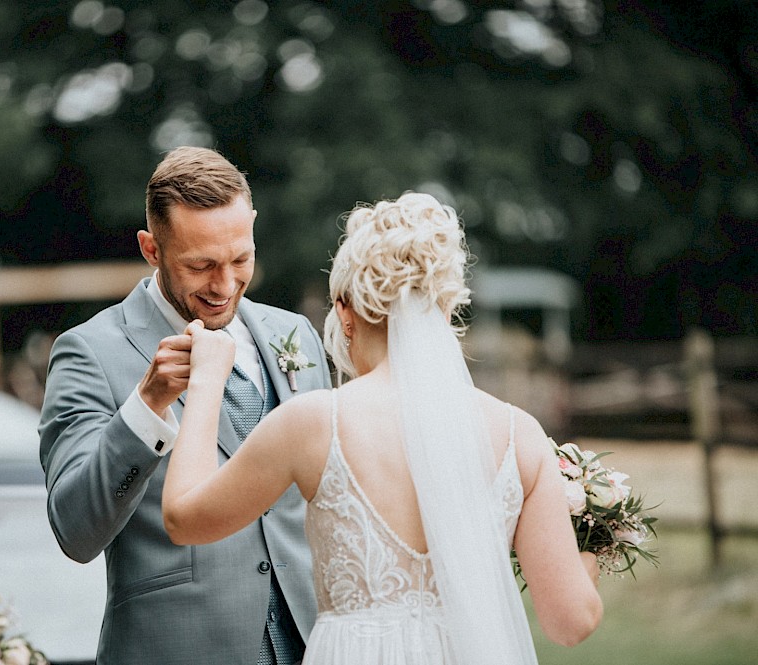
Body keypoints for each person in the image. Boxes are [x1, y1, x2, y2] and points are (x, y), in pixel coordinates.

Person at [162, 192, 603, 664]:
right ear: (447, 306)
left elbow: (184, 520)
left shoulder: (314, 422)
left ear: (345, 311)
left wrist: (206, 383)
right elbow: (570, 621)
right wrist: (593, 545)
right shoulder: (520, 434)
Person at [39, 146, 333, 665]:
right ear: (152, 249)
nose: (224, 285)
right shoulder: (89, 351)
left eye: (241, 259)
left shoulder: (296, 335)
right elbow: (75, 529)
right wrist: (147, 406)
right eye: (200, 266)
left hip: (312, 646)